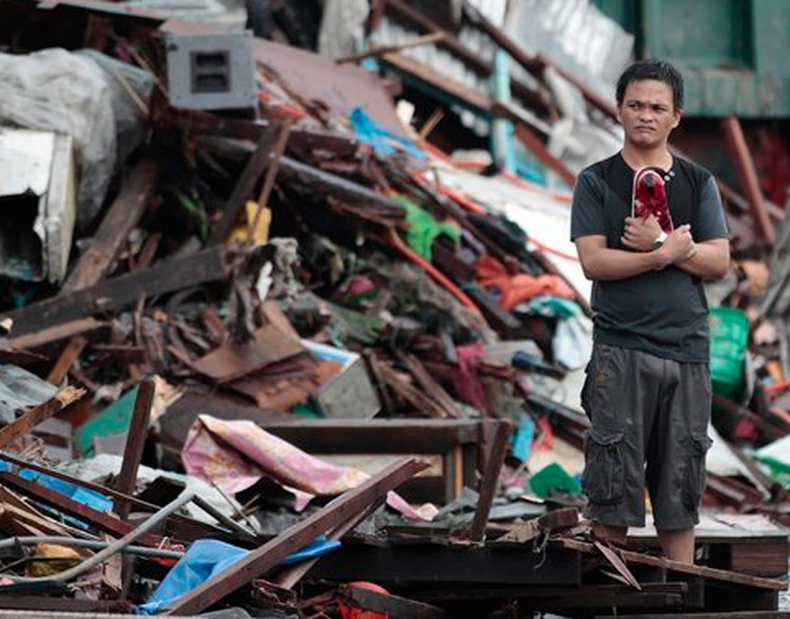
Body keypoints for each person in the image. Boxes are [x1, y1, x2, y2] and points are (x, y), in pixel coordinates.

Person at [570, 59, 730, 563]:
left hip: (687, 353)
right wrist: (663, 254)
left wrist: (661, 242)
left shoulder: (698, 182)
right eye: (636, 105)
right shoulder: (596, 181)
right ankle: (607, 597)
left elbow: (719, 261)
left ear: (675, 117)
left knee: (680, 495)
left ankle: (682, 596)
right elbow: (594, 262)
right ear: (618, 110)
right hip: (620, 351)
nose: (645, 115)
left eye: (658, 108)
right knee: (611, 493)